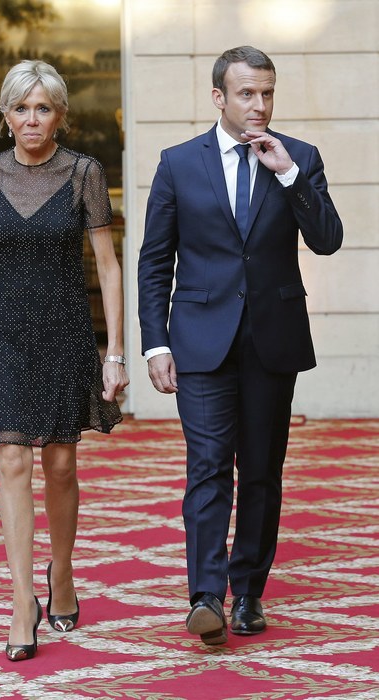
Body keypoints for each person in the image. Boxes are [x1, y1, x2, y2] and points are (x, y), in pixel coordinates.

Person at [138, 46, 342, 645]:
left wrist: (287, 173)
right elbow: (155, 262)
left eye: (268, 93)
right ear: (218, 97)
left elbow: (328, 239)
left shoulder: (299, 158)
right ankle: (205, 596)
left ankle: (248, 591)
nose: (259, 105)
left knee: (260, 472)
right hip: (200, 343)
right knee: (206, 468)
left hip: (272, 342)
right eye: (247, 93)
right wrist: (156, 344)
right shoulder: (178, 164)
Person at [0, 60, 129, 661]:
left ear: (60, 115)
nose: (32, 119)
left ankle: (62, 573)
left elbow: (108, 267)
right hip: (3, 334)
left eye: (44, 108)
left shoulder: (83, 172)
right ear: (5, 116)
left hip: (63, 333)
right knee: (11, 462)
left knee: (58, 467)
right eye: (21, 108)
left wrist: (115, 353)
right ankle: (22, 599)